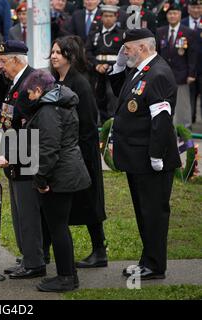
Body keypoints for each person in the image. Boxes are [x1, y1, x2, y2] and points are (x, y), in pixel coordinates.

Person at [108, 28, 181, 280]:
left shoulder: (158, 73)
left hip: (151, 159)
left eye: (127, 48)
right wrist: (118, 68)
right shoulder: (142, 70)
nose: (124, 52)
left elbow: (160, 119)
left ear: (142, 47)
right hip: (137, 158)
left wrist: (156, 155)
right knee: (143, 211)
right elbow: (125, 96)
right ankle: (147, 260)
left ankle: (154, 264)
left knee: (153, 212)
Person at [17, 69, 91, 292]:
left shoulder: (48, 110)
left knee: (58, 228)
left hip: (60, 175)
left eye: (30, 93)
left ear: (38, 90)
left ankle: (66, 277)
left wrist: (40, 180)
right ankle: (69, 274)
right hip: (66, 172)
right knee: (60, 227)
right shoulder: (58, 102)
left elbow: (48, 149)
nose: (28, 97)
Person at [0, 40, 46, 279]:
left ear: (16, 60)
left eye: (3, 62)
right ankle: (28, 256)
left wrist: (12, 155)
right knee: (19, 211)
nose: (1, 66)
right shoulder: (17, 80)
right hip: (14, 153)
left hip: (25, 155)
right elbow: (5, 104)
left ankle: (35, 262)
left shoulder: (34, 81)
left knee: (28, 212)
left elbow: (30, 125)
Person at [49, 36, 108, 268]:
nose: (54, 56)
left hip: (82, 153)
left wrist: (80, 154)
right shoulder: (55, 80)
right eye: (52, 52)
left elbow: (88, 123)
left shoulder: (80, 83)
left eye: (59, 52)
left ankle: (99, 250)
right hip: (65, 152)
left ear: (70, 56)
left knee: (90, 202)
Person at [156, 1, 198, 129]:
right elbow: (157, 52)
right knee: (163, 102)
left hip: (182, 74)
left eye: (175, 13)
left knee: (182, 104)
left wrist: (191, 73)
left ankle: (184, 129)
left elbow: (193, 55)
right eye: (170, 14)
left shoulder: (188, 32)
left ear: (180, 15)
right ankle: (167, 127)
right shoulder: (160, 31)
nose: (172, 16)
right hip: (164, 73)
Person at [85, 4, 124, 124]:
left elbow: (124, 53)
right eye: (105, 16)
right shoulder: (95, 34)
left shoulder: (121, 34)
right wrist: (97, 65)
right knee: (98, 98)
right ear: (101, 17)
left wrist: (112, 66)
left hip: (114, 71)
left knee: (112, 97)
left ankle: (112, 125)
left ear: (116, 17)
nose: (108, 18)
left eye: (111, 16)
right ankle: (101, 125)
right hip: (97, 72)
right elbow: (88, 52)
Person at [182, 0, 201, 123]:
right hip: (187, 68)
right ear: (188, 8)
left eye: (199, 7)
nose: (196, 10)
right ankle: (189, 122)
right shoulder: (182, 23)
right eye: (193, 7)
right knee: (189, 98)